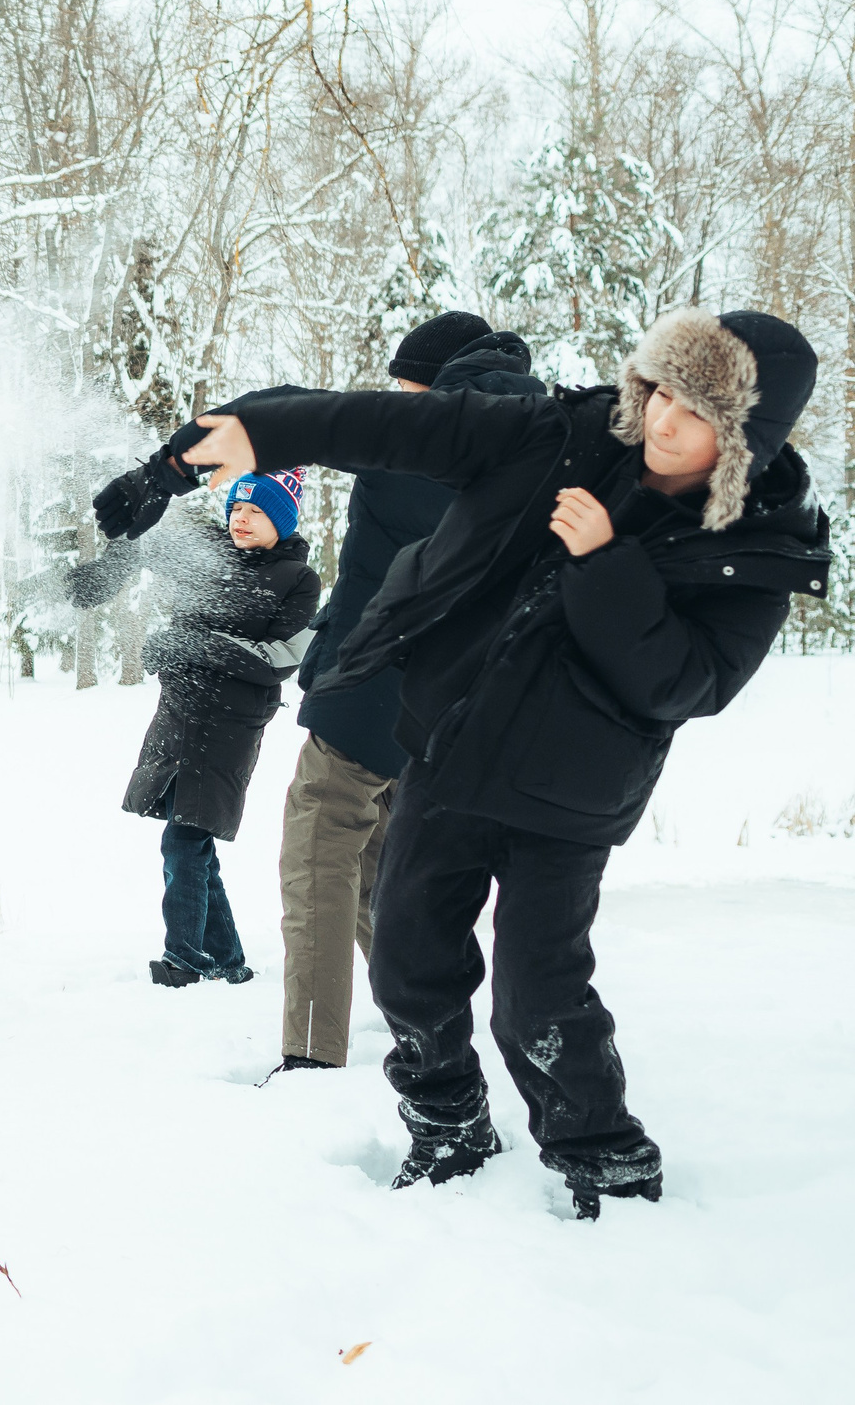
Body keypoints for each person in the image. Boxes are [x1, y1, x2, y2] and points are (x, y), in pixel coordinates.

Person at [129, 307, 829, 1217]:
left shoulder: (758, 545)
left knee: (536, 998)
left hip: (569, 794)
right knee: (407, 963)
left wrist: (606, 563)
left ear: (742, 440)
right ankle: (448, 1125)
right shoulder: (570, 436)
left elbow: (686, 683)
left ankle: (606, 1163)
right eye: (658, 390)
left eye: (692, 412)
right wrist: (261, 429)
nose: (659, 420)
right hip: (452, 747)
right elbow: (397, 425)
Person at [272, 318, 545, 1073]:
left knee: (319, 849)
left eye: (403, 389)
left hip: (372, 694)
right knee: (379, 869)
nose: (397, 402)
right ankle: (427, 1028)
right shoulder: (527, 444)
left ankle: (313, 1053)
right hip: (434, 705)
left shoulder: (430, 446)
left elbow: (313, 421)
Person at [63, 468, 320, 986]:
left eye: (257, 511)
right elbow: (144, 544)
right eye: (237, 509)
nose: (242, 519)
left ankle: (184, 959)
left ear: (284, 521)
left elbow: (280, 659)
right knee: (192, 838)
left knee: (183, 841)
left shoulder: (298, 581)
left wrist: (193, 647)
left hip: (230, 723)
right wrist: (103, 574)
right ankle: (228, 961)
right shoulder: (207, 549)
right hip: (180, 709)